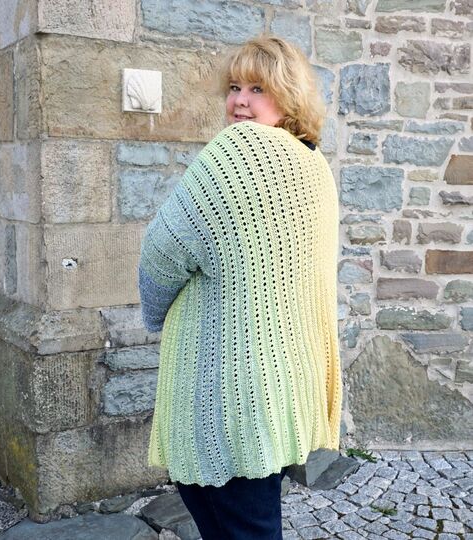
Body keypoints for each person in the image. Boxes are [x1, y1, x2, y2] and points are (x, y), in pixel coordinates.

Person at [138, 35, 342, 540]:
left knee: (236, 523)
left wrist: (155, 315)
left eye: (258, 88)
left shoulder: (238, 151)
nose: (240, 102)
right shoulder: (314, 163)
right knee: (247, 521)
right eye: (234, 87)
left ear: (288, 96)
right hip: (280, 388)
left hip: (228, 392)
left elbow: (162, 253)